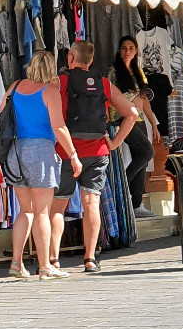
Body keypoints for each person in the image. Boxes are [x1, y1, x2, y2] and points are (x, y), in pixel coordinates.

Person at [50, 41, 139, 273]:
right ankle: (90, 259)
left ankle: (53, 259)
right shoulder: (104, 83)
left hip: (66, 152)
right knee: (91, 203)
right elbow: (132, 113)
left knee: (58, 206)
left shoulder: (59, 82)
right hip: (98, 151)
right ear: (90, 61)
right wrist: (115, 143)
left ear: (70, 58)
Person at [6, 50, 80, 281]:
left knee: (25, 210)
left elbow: (1, 119)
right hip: (40, 152)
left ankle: (16, 263)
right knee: (42, 211)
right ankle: (45, 265)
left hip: (15, 151)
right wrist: (73, 155)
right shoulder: (50, 92)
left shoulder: (14, 88)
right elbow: (59, 127)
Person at [112, 36, 161, 216]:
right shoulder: (113, 72)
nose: (127, 52)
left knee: (141, 157)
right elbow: (110, 98)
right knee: (147, 152)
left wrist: (153, 123)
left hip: (139, 119)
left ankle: (136, 203)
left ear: (136, 51)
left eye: (131, 48)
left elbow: (144, 99)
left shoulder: (138, 72)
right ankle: (122, 186)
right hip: (122, 118)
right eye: (124, 48)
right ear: (119, 50)